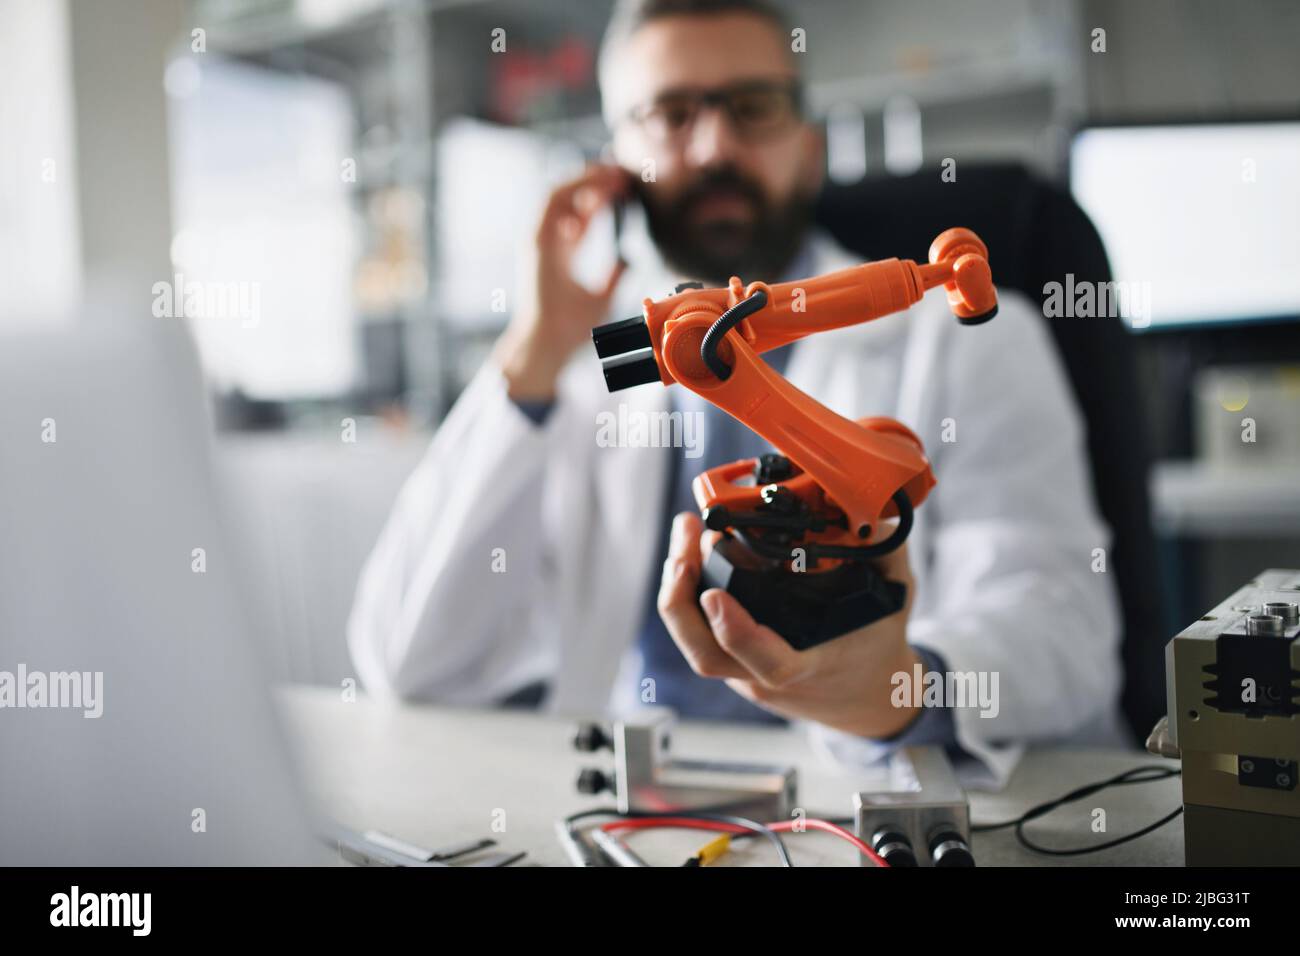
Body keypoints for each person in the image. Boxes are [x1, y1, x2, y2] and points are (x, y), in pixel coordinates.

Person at [347, 0, 1125, 785]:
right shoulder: (584, 371)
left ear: (810, 150)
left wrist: (892, 692)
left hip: (873, 790)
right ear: (615, 165)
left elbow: (1067, 632)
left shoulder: (968, 340)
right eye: (670, 114)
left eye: (753, 108)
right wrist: (533, 350)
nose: (715, 145)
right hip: (639, 803)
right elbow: (408, 663)